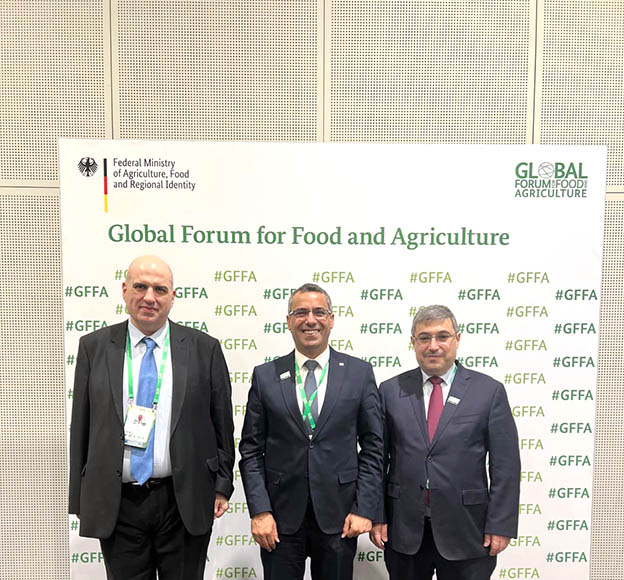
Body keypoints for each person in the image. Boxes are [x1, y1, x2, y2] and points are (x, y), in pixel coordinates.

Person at [68, 255, 235, 579]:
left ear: (173, 296)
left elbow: (222, 426)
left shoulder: (204, 348)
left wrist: (222, 485)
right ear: (124, 290)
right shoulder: (94, 347)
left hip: (184, 500)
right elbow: (82, 427)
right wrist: (79, 498)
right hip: (118, 503)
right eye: (140, 287)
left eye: (159, 289)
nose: (149, 297)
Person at [239, 283, 384, 580]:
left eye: (319, 312)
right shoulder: (265, 376)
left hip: (340, 516)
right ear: (289, 321)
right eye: (301, 312)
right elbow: (251, 450)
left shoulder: (359, 374)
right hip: (279, 518)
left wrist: (363, 508)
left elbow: (373, 448)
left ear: (331, 319)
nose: (310, 320)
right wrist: (260, 511)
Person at [370, 305, 520, 580]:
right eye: (424, 338)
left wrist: (500, 524)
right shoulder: (390, 391)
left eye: (442, 336)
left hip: (469, 531)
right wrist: (377, 516)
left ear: (457, 339)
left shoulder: (488, 391)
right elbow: (377, 460)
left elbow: (505, 465)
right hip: (404, 530)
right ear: (413, 342)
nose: (433, 346)